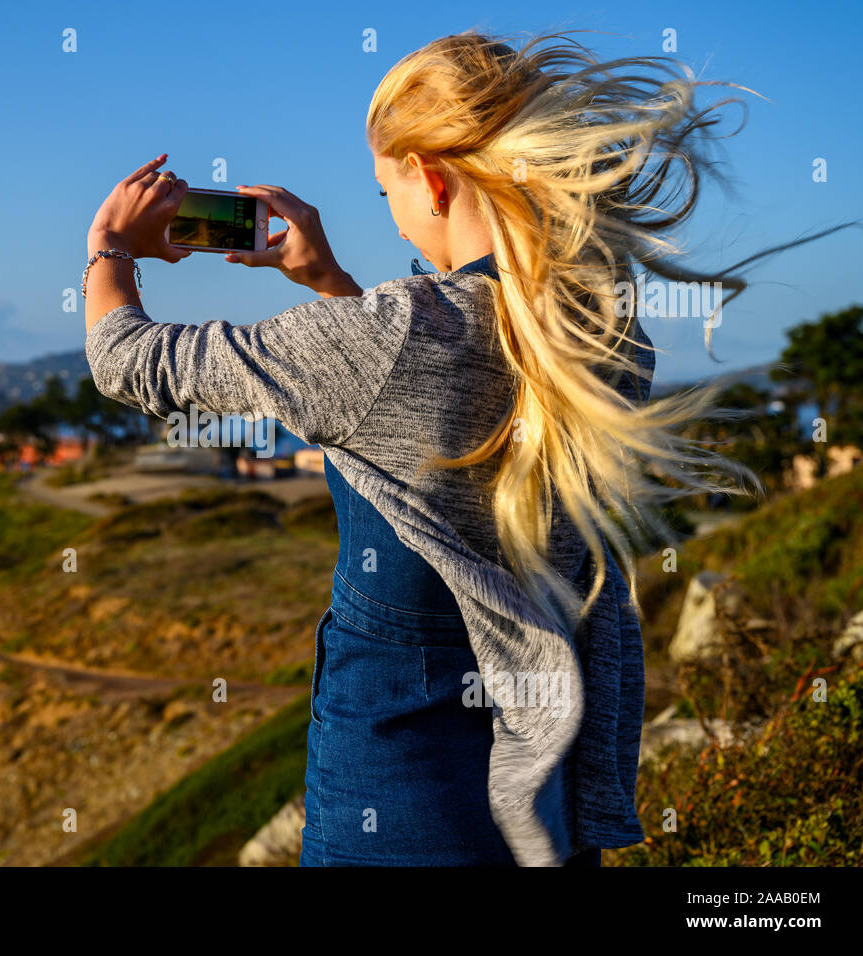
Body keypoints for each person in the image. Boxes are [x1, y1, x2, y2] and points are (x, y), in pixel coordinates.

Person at [80, 32, 761, 866]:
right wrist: (330, 284)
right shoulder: (601, 330)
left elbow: (126, 361)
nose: (392, 212)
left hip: (397, 790)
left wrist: (109, 245)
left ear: (432, 181)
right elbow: (411, 407)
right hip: (541, 786)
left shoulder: (397, 338)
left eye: (385, 191)